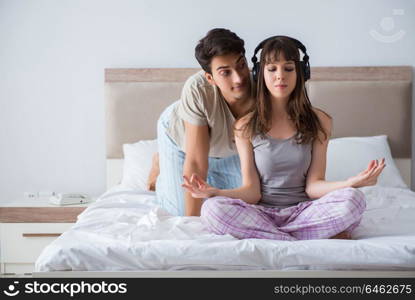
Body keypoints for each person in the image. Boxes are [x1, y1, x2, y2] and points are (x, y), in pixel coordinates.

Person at [182, 36, 386, 240]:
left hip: (305, 211)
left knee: (354, 199)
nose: (280, 76)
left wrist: (351, 182)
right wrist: (215, 192)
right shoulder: (245, 126)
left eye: (288, 68)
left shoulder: (320, 121)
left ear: (301, 72)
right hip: (261, 214)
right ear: (260, 73)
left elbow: (313, 186)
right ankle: (300, 237)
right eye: (272, 69)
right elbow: (252, 193)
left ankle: (274, 237)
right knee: (212, 208)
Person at [153, 28, 254, 216]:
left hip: (227, 150)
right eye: (225, 72)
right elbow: (197, 163)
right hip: (181, 139)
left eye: (241, 65)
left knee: (250, 206)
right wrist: (192, 228)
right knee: (182, 211)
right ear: (210, 78)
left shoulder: (264, 86)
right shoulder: (197, 88)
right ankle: (161, 168)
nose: (239, 78)